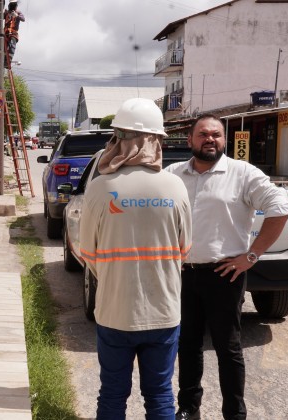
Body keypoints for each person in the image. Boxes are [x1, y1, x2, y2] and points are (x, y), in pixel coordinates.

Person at [166, 114, 288, 420]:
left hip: (224, 275)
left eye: (216, 135)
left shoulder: (242, 173)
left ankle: (234, 413)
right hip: (182, 274)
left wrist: (251, 255)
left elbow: (280, 209)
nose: (210, 139)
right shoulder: (171, 175)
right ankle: (188, 407)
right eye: (203, 134)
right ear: (190, 140)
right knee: (188, 344)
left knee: (228, 347)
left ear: (224, 140)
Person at [80, 98, 192, 419]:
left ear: (120, 140)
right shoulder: (175, 186)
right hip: (164, 314)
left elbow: (88, 251)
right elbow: (184, 250)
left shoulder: (101, 188)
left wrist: (116, 276)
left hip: (115, 313)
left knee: (112, 395)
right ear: (155, 141)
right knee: (160, 396)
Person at [4, 0, 25, 68]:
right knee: (3, 47)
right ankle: (4, 60)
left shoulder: (18, 12)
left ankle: (8, 62)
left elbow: (23, 19)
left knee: (12, 46)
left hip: (13, 33)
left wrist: (16, 16)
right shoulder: (7, 13)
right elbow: (0, 17)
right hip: (5, 33)